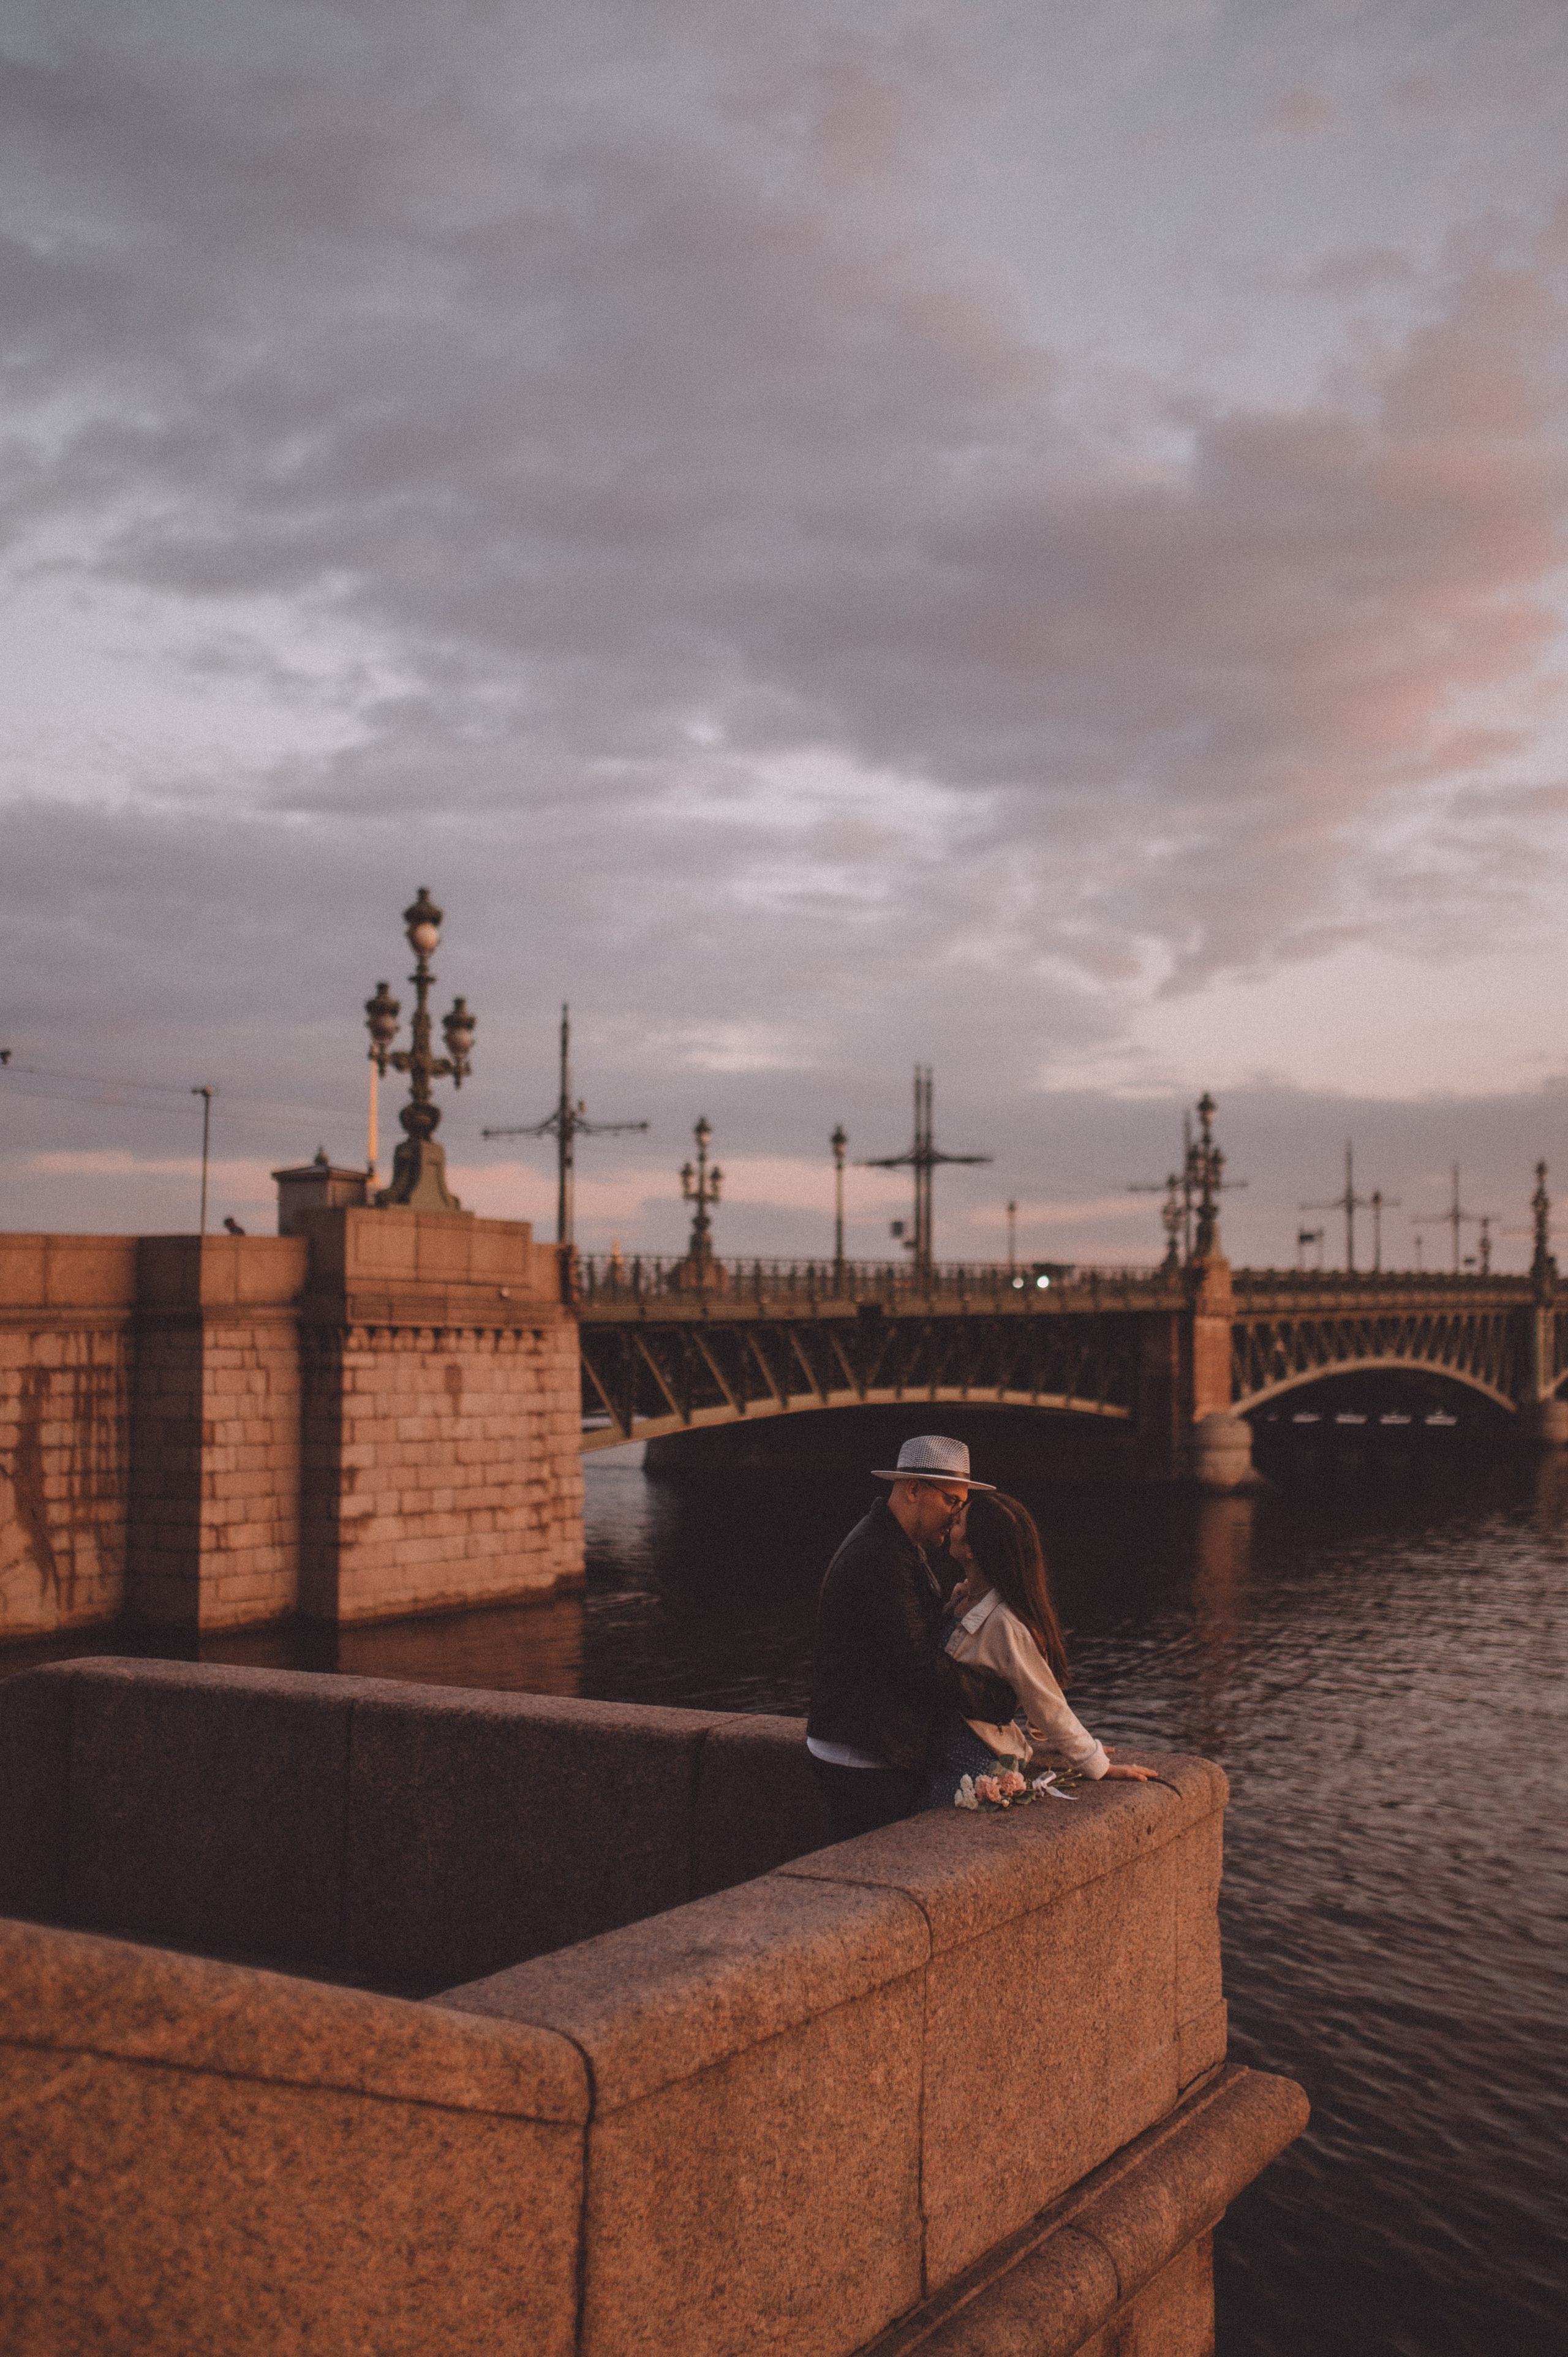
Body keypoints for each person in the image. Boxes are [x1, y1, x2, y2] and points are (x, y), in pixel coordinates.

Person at [807, 1435, 1018, 1842]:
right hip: (863, 1756)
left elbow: (896, 1641)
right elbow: (916, 1663)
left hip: (864, 1744)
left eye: (961, 1506)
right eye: (952, 1502)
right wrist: (996, 1699)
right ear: (914, 1490)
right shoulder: (882, 1558)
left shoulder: (895, 1545)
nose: (957, 1517)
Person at [921, 1488, 1157, 1809]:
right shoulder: (964, 1597)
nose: (951, 1521)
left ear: (975, 1549)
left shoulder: (1004, 1623)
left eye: (960, 1520)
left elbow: (1045, 1701)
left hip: (973, 1759)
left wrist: (1094, 1761)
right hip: (943, 1749)